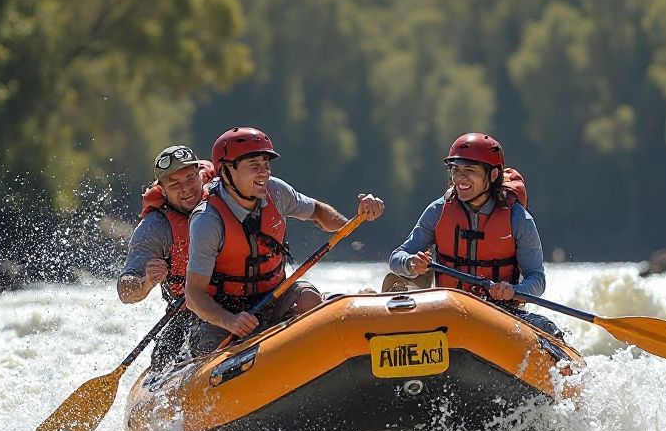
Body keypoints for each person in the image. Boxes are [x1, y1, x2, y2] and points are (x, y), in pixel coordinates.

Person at [184, 126, 384, 356]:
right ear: (227, 170)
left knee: (308, 299)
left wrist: (354, 220)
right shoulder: (207, 220)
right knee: (213, 355)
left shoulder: (277, 192)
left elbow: (318, 212)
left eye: (266, 165)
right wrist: (230, 321)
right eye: (254, 166)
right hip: (224, 312)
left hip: (274, 296)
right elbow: (194, 295)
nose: (264, 173)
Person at [387, 132, 562, 337]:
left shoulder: (519, 220)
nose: (460, 177)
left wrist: (515, 290)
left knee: (550, 330)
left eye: (469, 170)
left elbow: (537, 279)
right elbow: (396, 257)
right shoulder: (437, 211)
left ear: (493, 175)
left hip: (500, 313)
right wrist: (410, 263)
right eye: (456, 170)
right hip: (447, 311)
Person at [117, 144, 215, 368]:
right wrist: (145, 283)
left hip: (245, 295)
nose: (186, 188)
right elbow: (125, 291)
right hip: (190, 312)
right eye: (175, 184)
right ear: (162, 190)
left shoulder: (225, 197)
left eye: (190, 178)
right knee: (164, 361)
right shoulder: (155, 228)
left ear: (200, 175)